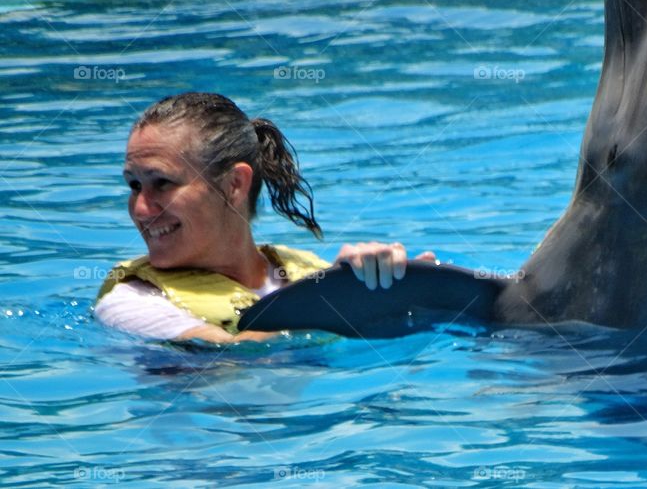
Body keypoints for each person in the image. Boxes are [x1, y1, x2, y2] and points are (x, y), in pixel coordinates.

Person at [94, 92, 433, 343]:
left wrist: (414, 298)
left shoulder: (304, 271)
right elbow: (232, 367)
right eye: (134, 185)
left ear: (234, 185)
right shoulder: (131, 302)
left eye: (162, 183)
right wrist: (342, 300)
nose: (140, 209)